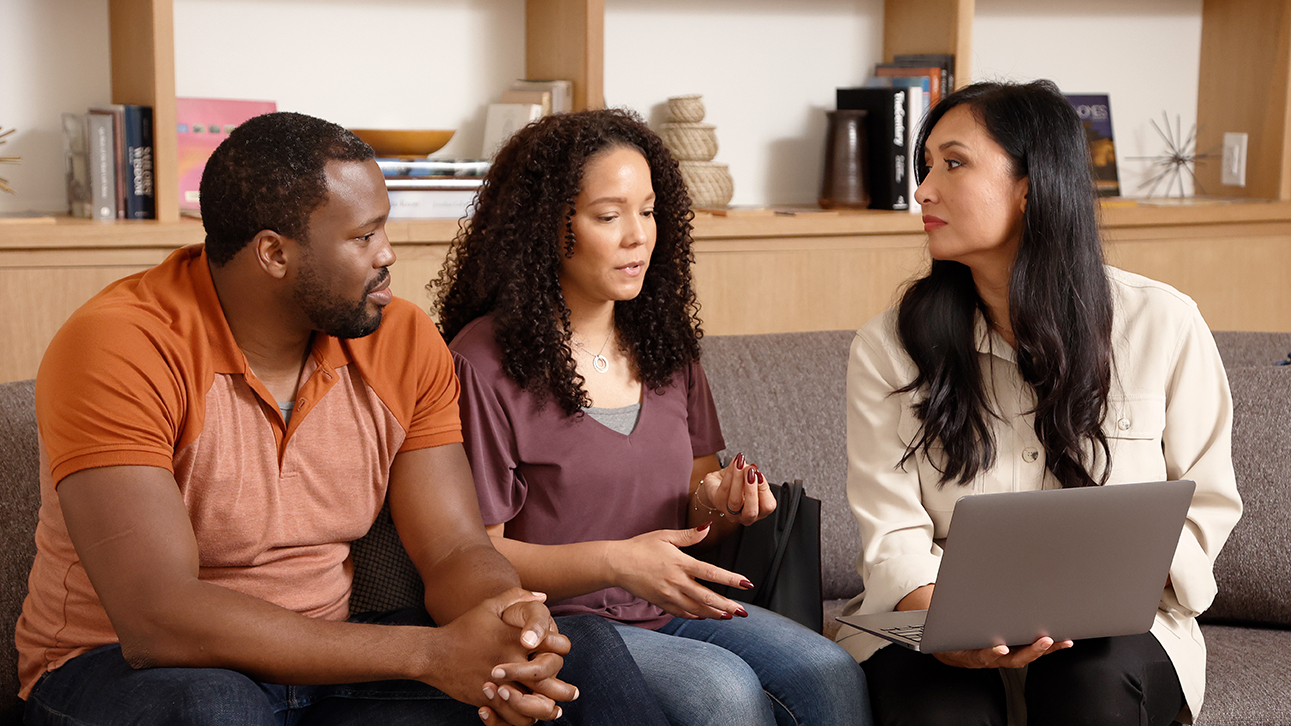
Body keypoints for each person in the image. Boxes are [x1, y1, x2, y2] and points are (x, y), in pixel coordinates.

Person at [15, 111, 670, 726]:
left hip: (330, 669)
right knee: (211, 703)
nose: (387, 254)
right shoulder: (120, 346)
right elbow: (159, 620)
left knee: (578, 643)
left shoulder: (400, 338)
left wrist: (508, 623)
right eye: (362, 237)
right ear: (274, 254)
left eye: (382, 227)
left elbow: (452, 549)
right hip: (120, 670)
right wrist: (432, 656)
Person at [433, 108, 872, 726]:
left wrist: (718, 502)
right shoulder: (481, 362)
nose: (639, 235)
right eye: (609, 216)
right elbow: (476, 554)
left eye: (649, 210)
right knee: (722, 693)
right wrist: (620, 561)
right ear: (545, 229)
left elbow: (696, 517)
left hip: (672, 607)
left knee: (830, 672)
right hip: (565, 624)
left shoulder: (665, 345)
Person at [836, 80, 1243, 725]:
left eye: (954, 163)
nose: (924, 190)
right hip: (938, 618)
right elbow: (892, 537)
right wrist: (953, 627)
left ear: (1030, 185)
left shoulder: (1164, 324)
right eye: (926, 166)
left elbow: (1205, 507)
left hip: (1120, 633)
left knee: (1091, 683)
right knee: (935, 708)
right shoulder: (889, 347)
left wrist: (1109, 586)